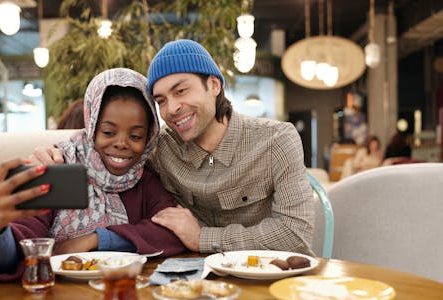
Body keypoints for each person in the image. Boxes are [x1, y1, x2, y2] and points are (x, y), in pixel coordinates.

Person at [31, 39, 315, 256]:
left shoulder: (277, 140)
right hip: (198, 280)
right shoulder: (157, 151)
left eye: (181, 91)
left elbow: (296, 234)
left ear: (213, 85)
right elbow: (105, 146)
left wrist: (202, 238)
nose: (173, 108)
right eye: (161, 100)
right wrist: (55, 154)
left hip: (274, 276)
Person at [0, 68, 186, 281]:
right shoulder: (57, 168)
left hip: (121, 293)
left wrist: (96, 239)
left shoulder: (145, 179)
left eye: (136, 136)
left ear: (149, 137)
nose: (121, 144)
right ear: (91, 128)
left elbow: (172, 232)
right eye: (108, 132)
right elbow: (21, 245)